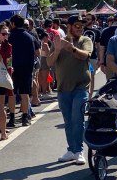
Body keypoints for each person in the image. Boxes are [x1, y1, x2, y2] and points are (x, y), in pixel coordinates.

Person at [47, 15, 92, 165]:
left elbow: (85, 56)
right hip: (63, 88)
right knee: (68, 121)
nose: (80, 28)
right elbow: (49, 62)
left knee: (77, 119)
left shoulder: (85, 40)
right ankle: (71, 150)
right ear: (69, 27)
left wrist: (71, 48)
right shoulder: (59, 41)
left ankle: (79, 151)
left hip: (81, 87)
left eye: (82, 26)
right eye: (77, 26)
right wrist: (58, 49)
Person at [9, 14, 39, 126]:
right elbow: (37, 53)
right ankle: (25, 117)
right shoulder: (30, 37)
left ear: (13, 24)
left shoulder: (10, 36)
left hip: (12, 68)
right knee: (25, 94)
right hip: (27, 68)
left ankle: (11, 118)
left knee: (11, 93)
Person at [83, 13, 102, 95]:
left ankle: (90, 96)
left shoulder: (97, 32)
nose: (86, 21)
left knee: (91, 75)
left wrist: (100, 59)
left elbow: (98, 46)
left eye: (88, 19)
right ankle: (84, 94)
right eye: (85, 19)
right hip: (81, 57)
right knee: (82, 76)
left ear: (93, 21)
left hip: (92, 58)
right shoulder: (81, 30)